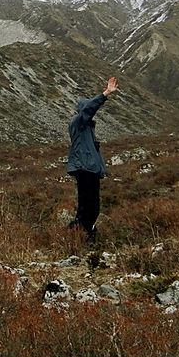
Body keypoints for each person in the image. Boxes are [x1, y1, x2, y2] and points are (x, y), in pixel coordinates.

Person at [67, 77, 118, 243]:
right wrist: (105, 93)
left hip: (90, 170)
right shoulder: (78, 122)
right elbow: (90, 109)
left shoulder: (86, 128)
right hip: (84, 169)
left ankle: (83, 234)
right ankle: (79, 235)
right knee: (88, 206)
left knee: (92, 207)